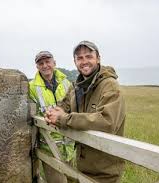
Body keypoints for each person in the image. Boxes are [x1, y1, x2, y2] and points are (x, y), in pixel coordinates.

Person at [45, 41, 126, 183]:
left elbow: (107, 122)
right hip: (82, 165)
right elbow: (64, 106)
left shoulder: (110, 85)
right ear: (75, 61)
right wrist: (52, 112)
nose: (84, 61)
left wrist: (63, 119)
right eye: (80, 58)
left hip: (105, 171)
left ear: (98, 58)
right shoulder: (77, 86)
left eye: (89, 56)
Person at [29, 51, 74, 183]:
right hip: (49, 147)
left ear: (54, 63)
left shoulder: (67, 83)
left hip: (69, 147)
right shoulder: (31, 87)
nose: (45, 65)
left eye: (47, 62)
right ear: (37, 67)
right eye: (40, 63)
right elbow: (32, 115)